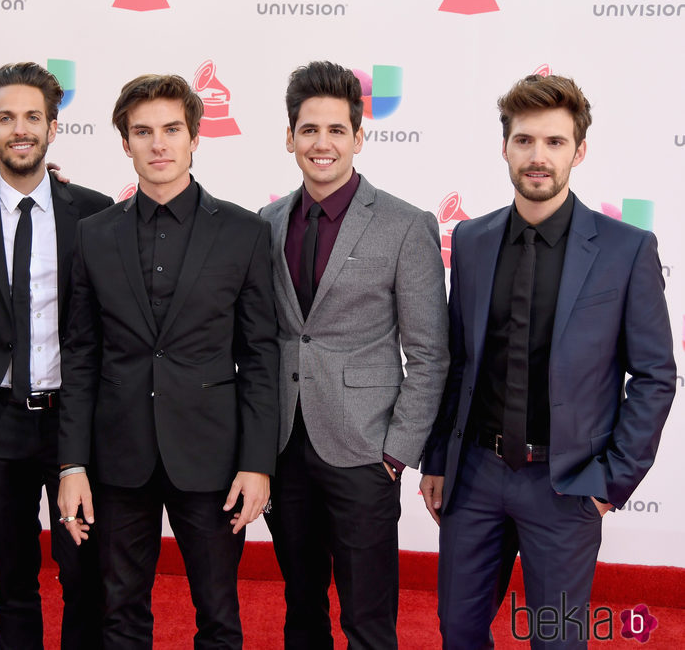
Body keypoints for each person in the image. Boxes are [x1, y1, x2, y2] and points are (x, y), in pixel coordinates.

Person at [419, 74, 677, 649]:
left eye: (555, 142)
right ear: (505, 147)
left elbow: (657, 375)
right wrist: (438, 457)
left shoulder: (626, 249)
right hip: (476, 476)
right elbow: (459, 360)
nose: (538, 157)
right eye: (525, 140)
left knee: (556, 640)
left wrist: (611, 481)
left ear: (579, 151)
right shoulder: (472, 240)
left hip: (566, 485)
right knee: (458, 629)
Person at [57, 73, 279, 648]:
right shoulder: (93, 235)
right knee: (119, 614)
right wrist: (71, 465)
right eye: (143, 131)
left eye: (172, 130)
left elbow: (259, 357)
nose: (158, 144)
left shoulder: (244, 233)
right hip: (117, 457)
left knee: (219, 616)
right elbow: (80, 357)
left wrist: (258, 463)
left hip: (212, 460)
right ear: (124, 142)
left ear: (195, 138)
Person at [258, 60, 449, 649]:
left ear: (359, 137)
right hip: (285, 445)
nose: (322, 143)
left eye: (336, 130)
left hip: (366, 452)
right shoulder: (265, 223)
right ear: (289, 137)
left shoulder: (404, 224)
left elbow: (430, 353)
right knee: (301, 608)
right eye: (309, 130)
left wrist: (396, 453)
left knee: (368, 619)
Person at [0, 62, 110, 649]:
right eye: (6, 118)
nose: (20, 128)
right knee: (14, 579)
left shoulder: (95, 212)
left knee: (84, 575)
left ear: (53, 127)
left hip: (75, 425)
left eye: (33, 116)